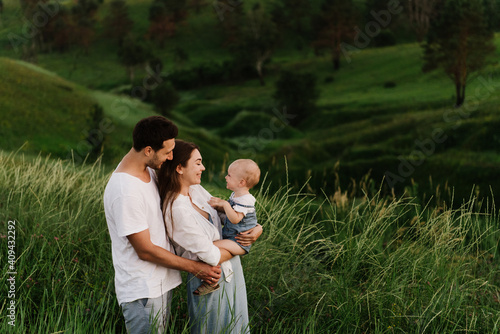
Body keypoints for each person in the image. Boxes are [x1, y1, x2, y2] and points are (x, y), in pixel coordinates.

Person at [103, 116, 221, 334]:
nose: (171, 157)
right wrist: (196, 268)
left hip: (160, 284)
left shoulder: (147, 171)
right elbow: (145, 250)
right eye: (167, 152)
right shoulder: (125, 191)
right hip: (143, 291)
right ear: (148, 150)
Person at [157, 140, 263, 334]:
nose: (203, 168)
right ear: (179, 168)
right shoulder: (176, 209)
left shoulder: (195, 190)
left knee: (237, 327)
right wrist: (241, 246)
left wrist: (257, 228)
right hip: (210, 279)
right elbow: (211, 255)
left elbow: (226, 217)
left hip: (232, 272)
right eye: (198, 163)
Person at [196, 159, 260, 295]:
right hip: (232, 237)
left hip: (238, 242)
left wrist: (224, 205)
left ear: (241, 182)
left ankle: (212, 281)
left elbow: (235, 219)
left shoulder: (246, 199)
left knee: (211, 247)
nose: (226, 177)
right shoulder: (236, 196)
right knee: (212, 248)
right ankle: (212, 280)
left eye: (229, 175)